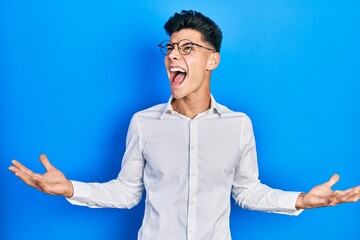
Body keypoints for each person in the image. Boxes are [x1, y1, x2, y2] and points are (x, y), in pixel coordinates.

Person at [9, 10, 360, 240]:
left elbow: (247, 191)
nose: (173, 55)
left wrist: (301, 199)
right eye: (171, 48)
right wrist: (71, 188)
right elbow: (127, 192)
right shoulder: (143, 123)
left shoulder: (238, 125)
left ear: (212, 60)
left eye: (187, 48)